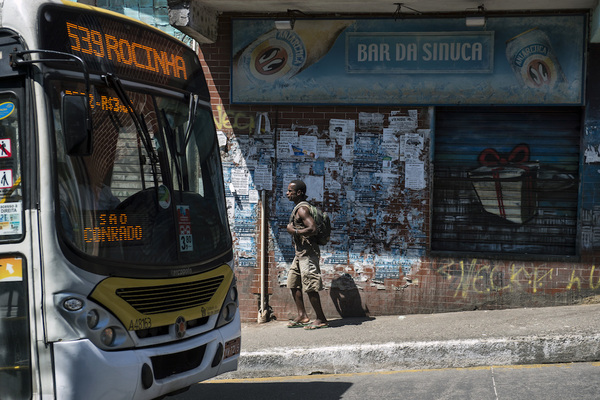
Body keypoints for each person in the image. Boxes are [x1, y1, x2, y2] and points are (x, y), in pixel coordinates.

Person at [285, 180, 328, 329]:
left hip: (308, 253)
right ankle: (302, 316)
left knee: (310, 285)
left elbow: (313, 228)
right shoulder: (298, 208)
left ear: (299, 193)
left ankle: (321, 318)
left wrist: (294, 231)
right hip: (300, 253)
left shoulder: (302, 210)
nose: (287, 193)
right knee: (293, 283)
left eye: (290, 191)